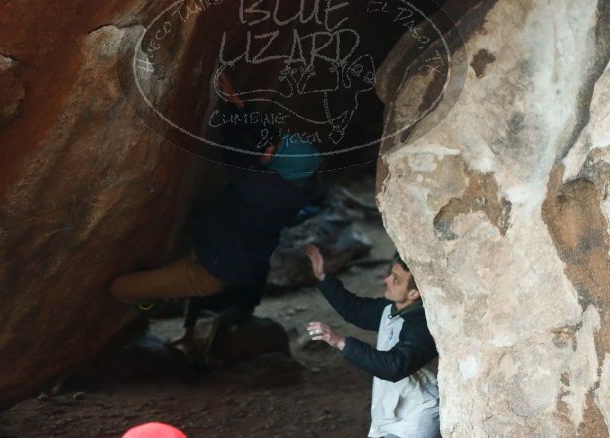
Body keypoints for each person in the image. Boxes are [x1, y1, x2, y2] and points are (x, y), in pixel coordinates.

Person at [109, 72, 322, 307]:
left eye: (274, 152)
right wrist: (238, 103)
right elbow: (269, 139)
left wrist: (230, 110)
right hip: (217, 252)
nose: (269, 149)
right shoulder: (294, 180)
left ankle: (155, 300)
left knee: (121, 289)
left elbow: (232, 149)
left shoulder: (261, 191)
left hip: (209, 272)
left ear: (282, 167)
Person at [304, 245, 440, 438]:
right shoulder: (391, 308)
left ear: (414, 294)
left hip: (414, 418)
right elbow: (355, 310)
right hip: (392, 413)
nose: (386, 280)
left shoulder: (423, 325)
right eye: (390, 274)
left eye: (396, 280)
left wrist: (341, 342)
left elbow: (394, 366)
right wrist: (323, 277)